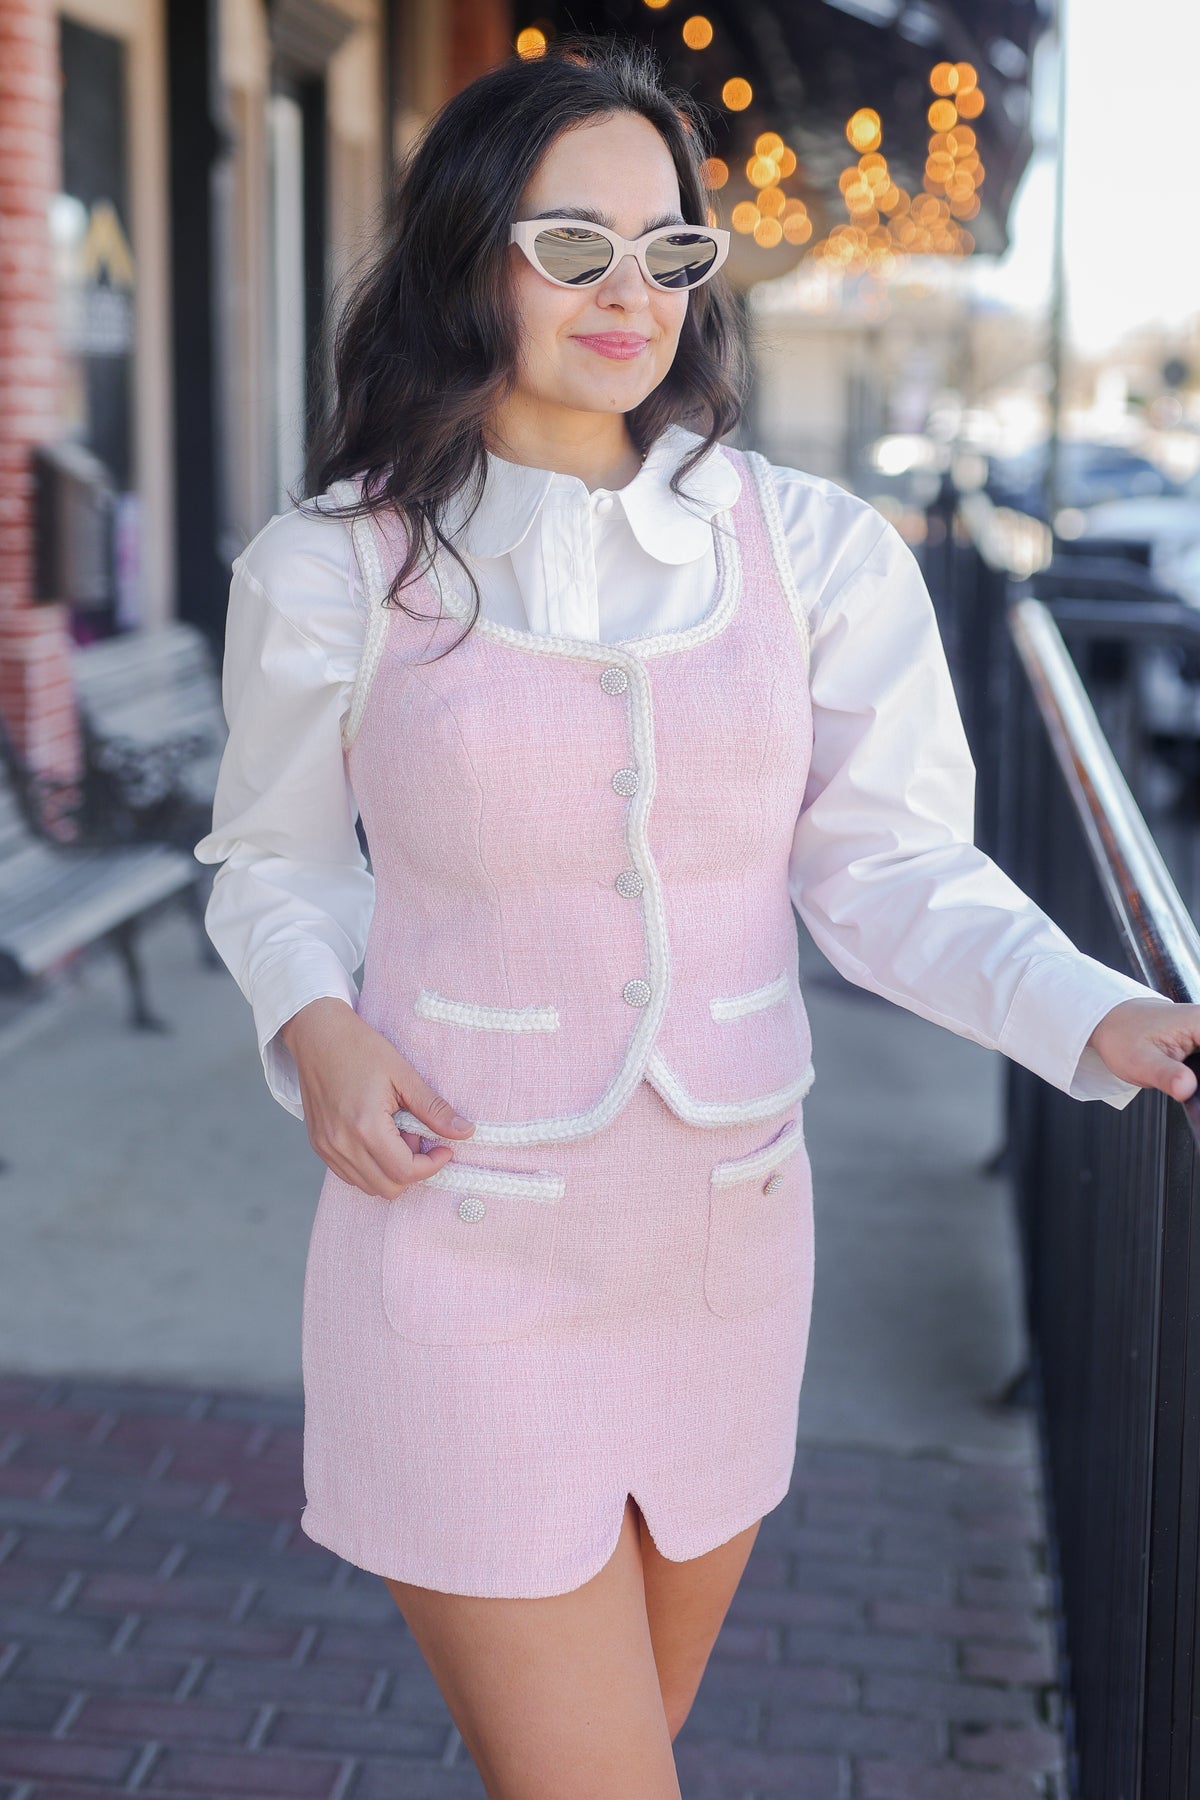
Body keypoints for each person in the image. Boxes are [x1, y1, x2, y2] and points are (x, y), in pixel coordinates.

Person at [192, 37, 1200, 1800]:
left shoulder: (816, 552)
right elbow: (273, 859)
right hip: (461, 1237)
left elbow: (888, 866)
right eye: (571, 245)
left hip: (726, 1248)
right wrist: (314, 1019)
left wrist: (1086, 1008)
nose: (630, 291)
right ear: (466, 255)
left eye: (670, 251)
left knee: (608, 1763)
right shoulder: (332, 563)